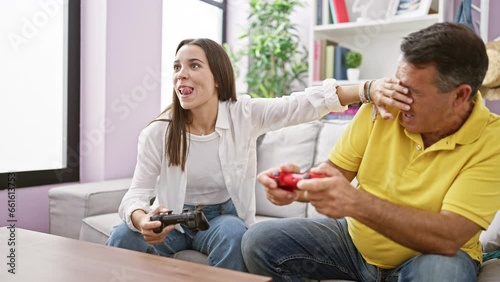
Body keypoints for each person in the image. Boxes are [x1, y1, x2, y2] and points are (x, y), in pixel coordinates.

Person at [105, 38, 411, 272]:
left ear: (218, 78)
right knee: (123, 235)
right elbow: (137, 193)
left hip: (221, 217)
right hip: (173, 217)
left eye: (194, 65)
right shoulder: (158, 132)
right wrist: (142, 218)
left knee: (236, 236)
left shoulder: (244, 114)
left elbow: (303, 103)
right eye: (177, 67)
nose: (181, 75)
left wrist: (368, 88)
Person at [242, 22, 500, 281]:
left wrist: (356, 203)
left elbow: (449, 236)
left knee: (440, 274)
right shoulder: (383, 107)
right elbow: (334, 173)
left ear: (459, 96)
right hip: (352, 244)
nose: (397, 95)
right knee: (260, 240)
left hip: (431, 256)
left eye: (413, 92)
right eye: (398, 83)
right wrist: (296, 186)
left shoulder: (492, 140)